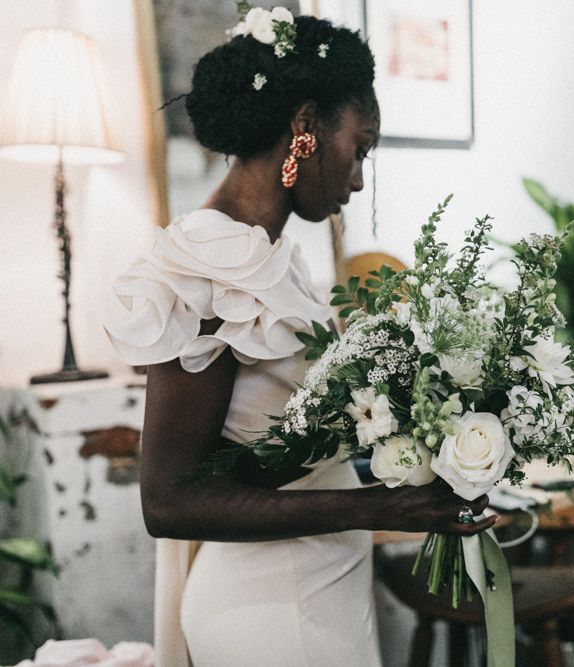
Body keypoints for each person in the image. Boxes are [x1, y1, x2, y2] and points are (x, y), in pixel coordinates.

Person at [106, 10, 496, 667]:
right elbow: (170, 498)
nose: (358, 178)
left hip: (317, 587)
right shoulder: (207, 263)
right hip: (270, 607)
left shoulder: (274, 258)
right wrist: (383, 503)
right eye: (361, 146)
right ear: (306, 127)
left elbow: (278, 451)